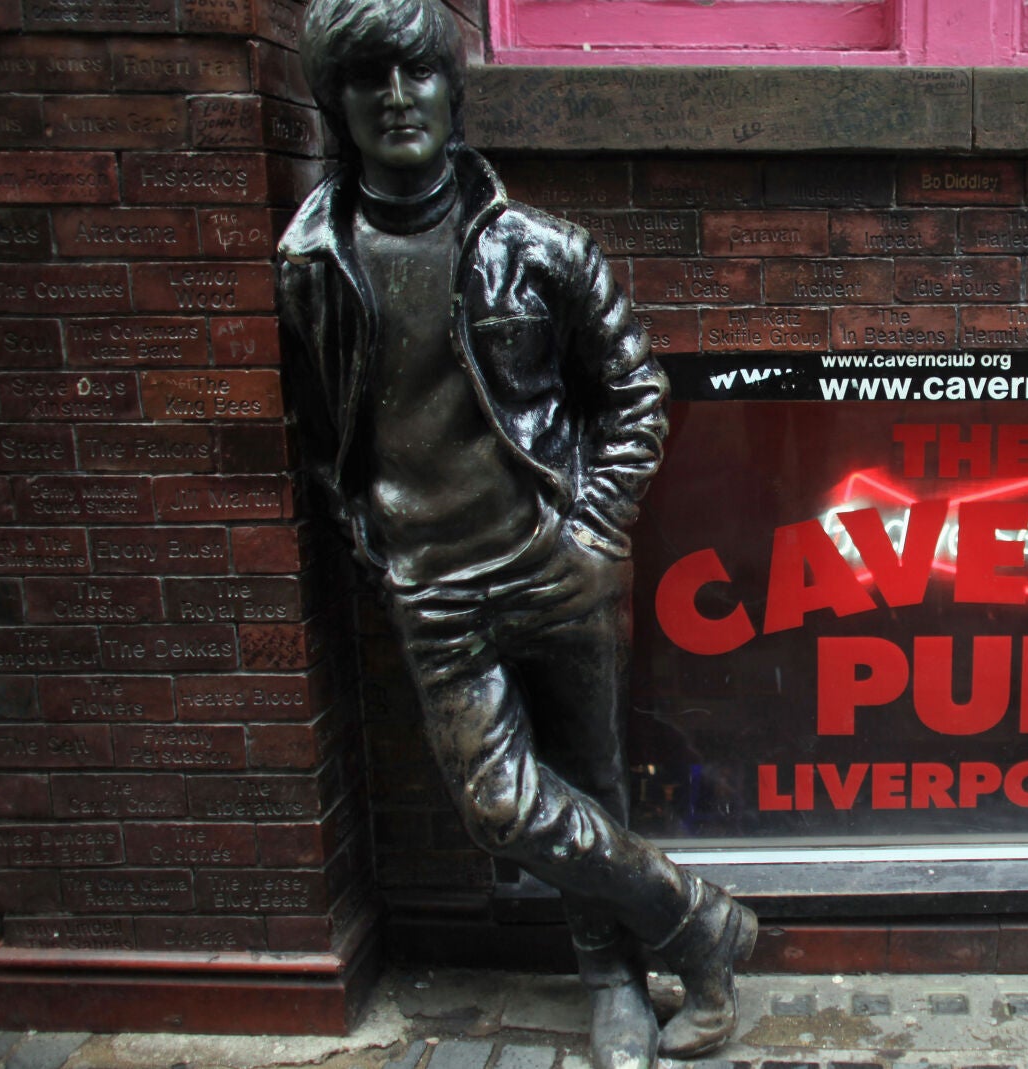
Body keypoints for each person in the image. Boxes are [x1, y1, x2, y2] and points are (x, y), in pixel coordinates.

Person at [275, 2, 755, 1066]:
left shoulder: (540, 248)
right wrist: (370, 535)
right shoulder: (311, 264)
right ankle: (702, 922)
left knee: (591, 780)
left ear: (454, 89)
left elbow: (635, 391)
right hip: (431, 581)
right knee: (502, 805)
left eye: (419, 73)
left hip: (555, 563)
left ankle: (616, 984)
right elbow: (321, 430)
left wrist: (592, 528)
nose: (398, 98)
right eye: (370, 80)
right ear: (336, 103)